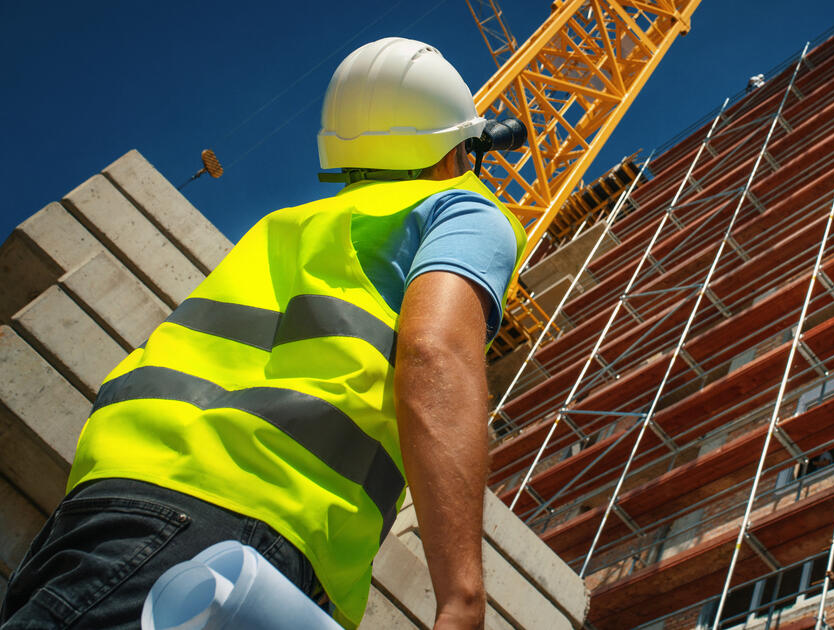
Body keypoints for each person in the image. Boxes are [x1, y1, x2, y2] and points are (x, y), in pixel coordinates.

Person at [0, 37, 526, 630]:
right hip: (241, 534)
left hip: (98, 508)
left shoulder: (287, 226)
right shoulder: (461, 209)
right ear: (451, 150)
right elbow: (437, 352)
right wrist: (462, 599)